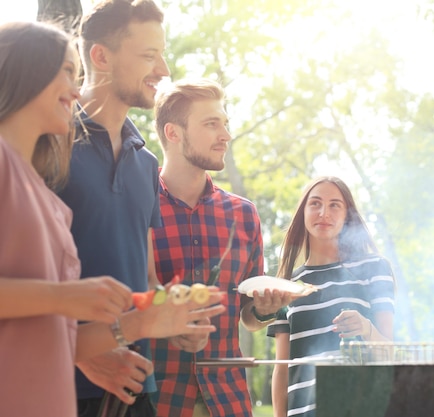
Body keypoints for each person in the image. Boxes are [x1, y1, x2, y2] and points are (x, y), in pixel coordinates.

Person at [0, 20, 224, 417]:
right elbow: (51, 309)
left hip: (124, 385)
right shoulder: (20, 166)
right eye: (66, 72)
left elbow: (57, 331)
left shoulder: (50, 191)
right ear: (26, 73)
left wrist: (157, 319)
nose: (75, 87)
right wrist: (66, 301)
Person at [54, 0, 174, 415]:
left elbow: (147, 279)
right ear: (100, 56)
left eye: (162, 54)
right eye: (148, 55)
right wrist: (81, 353)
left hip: (136, 387)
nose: (163, 69)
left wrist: (180, 317)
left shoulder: (147, 164)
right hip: (60, 386)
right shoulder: (48, 142)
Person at [150, 78, 294, 417]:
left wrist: (264, 309)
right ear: (173, 133)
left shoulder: (243, 215)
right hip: (157, 401)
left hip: (227, 402)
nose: (225, 135)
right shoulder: (136, 206)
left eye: (225, 124)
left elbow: (248, 316)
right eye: (211, 124)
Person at [267, 176, 396, 417]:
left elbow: (390, 353)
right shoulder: (286, 287)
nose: (324, 212)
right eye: (315, 203)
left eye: (335, 205)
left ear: (347, 215)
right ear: (303, 213)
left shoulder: (374, 268)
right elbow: (282, 369)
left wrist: (366, 328)